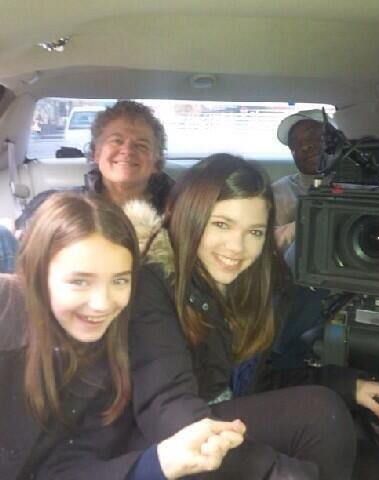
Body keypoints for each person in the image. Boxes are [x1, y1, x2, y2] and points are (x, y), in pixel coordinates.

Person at [125, 153, 357, 479]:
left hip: (212, 415)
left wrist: (347, 385)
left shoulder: (240, 286)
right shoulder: (151, 280)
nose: (237, 247)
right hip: (157, 439)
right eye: (221, 224)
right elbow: (167, 404)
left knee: (323, 409)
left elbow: (256, 382)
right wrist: (277, 471)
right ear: (189, 216)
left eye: (255, 232)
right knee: (318, 417)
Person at [0, 191, 245, 479]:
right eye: (80, 281)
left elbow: (64, 467)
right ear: (36, 272)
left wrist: (161, 461)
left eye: (120, 280)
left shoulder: (109, 354)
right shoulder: (6, 310)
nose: (103, 303)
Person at [15, 99, 174, 231]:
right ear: (96, 153)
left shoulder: (180, 209)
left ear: (156, 161)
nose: (127, 150)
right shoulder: (53, 206)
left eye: (141, 145)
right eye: (116, 141)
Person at [273, 109, 339, 251]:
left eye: (313, 136)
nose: (304, 146)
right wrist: (303, 225)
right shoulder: (278, 192)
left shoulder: (363, 188)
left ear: (335, 140)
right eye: (295, 143)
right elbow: (264, 243)